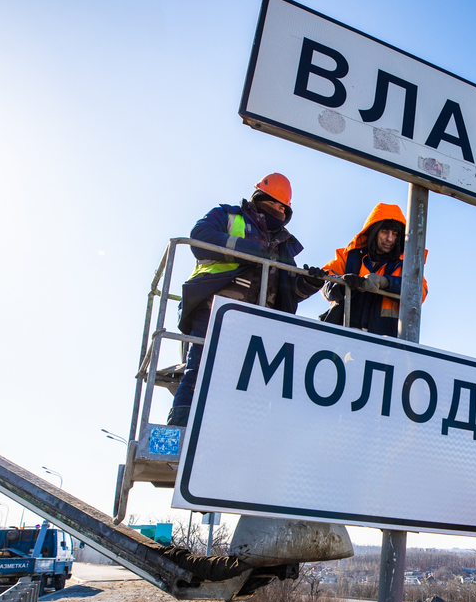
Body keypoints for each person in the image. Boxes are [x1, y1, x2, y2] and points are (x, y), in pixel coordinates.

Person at [167, 173, 325, 426]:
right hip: (215, 310)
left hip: (259, 324)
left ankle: (235, 433)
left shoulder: (283, 243)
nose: (277, 209)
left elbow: (287, 292)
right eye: (273, 202)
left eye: (282, 207)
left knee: (249, 384)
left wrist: (309, 283)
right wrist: (247, 250)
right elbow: (200, 237)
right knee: (200, 373)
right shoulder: (228, 216)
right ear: (258, 198)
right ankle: (180, 431)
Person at [319, 203, 427, 337]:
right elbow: (324, 282)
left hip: (383, 346)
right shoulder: (348, 255)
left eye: (395, 233)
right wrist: (342, 284)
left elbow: (420, 292)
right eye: (384, 232)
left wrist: (385, 283)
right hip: (340, 338)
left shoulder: (407, 265)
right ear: (374, 231)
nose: (390, 238)